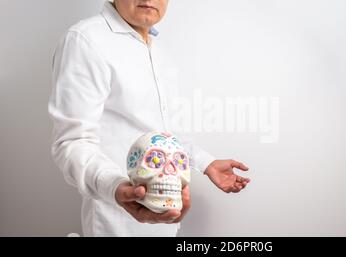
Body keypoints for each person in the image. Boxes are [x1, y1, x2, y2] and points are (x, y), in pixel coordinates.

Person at [48, 0, 250, 236]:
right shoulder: (86, 40)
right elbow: (72, 143)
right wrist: (116, 187)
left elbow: (167, 136)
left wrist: (207, 163)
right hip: (116, 223)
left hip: (168, 221)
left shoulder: (160, 51)